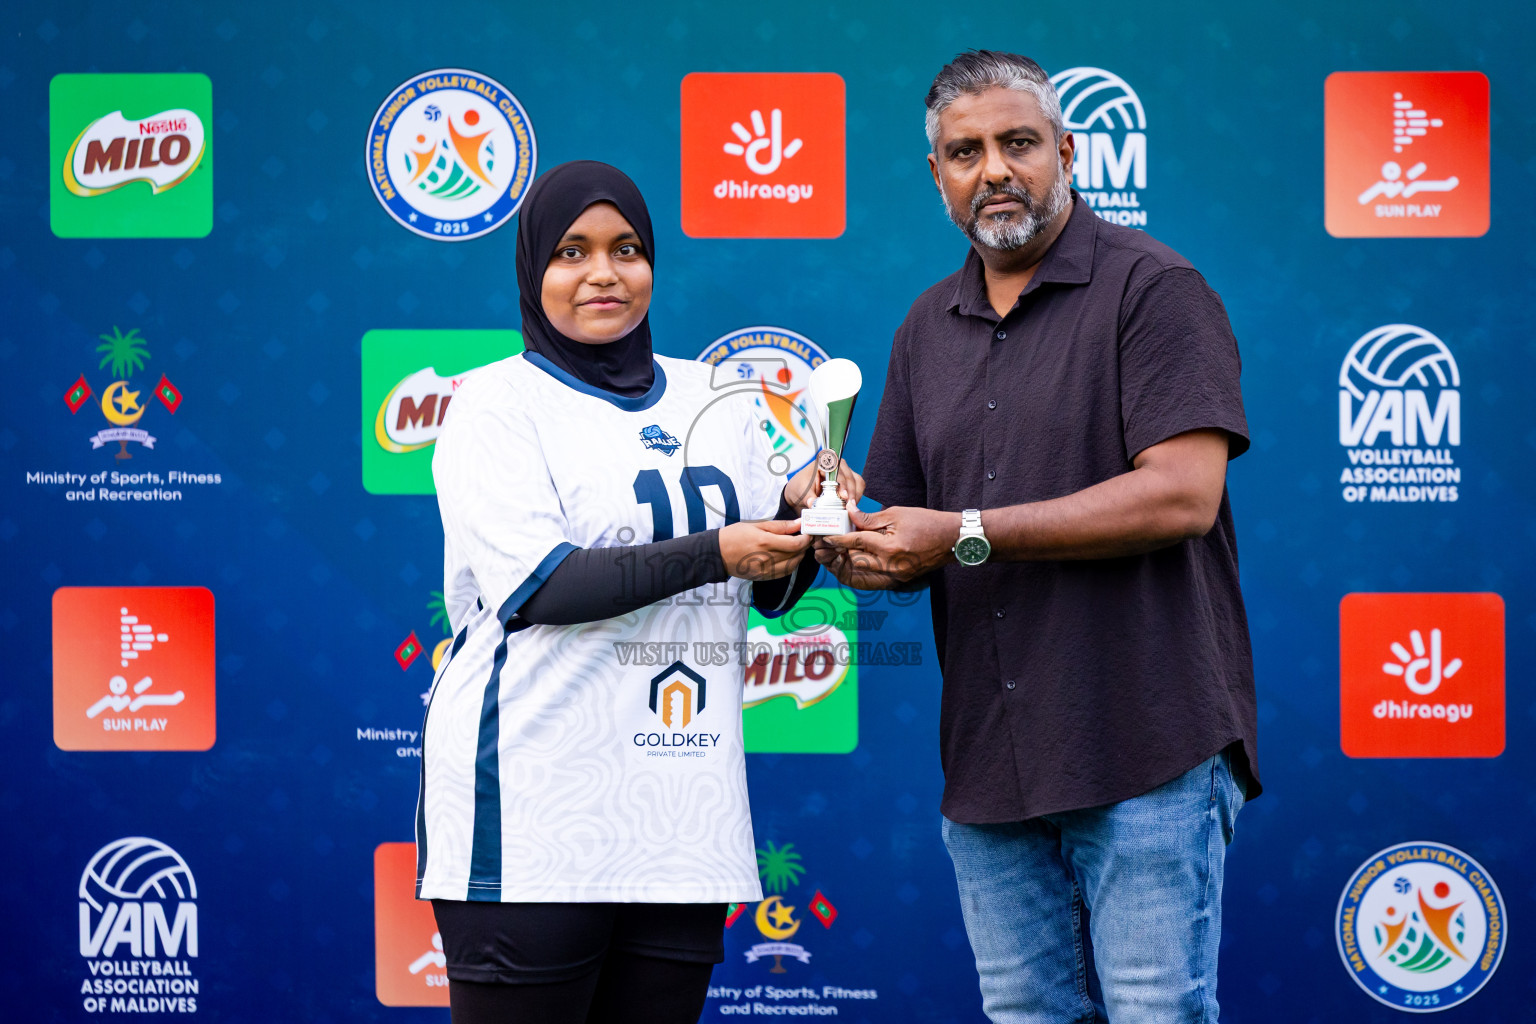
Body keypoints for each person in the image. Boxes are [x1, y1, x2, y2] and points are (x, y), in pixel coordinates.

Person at [815, 52, 1259, 1024]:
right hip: (991, 763)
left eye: (1017, 143)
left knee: (1157, 1014)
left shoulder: (1155, 290)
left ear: (1065, 150)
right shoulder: (925, 327)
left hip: (1147, 744)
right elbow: (902, 543)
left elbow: (1181, 496)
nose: (995, 169)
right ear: (937, 177)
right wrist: (841, 516)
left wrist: (965, 532)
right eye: (964, 152)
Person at [418, 160, 863, 1024]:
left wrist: (804, 517)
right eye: (572, 252)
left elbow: (769, 591)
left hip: (681, 815)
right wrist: (721, 549)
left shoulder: (719, 397)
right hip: (535, 812)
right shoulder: (494, 405)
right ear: (531, 268)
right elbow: (541, 586)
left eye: (627, 249)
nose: (603, 274)